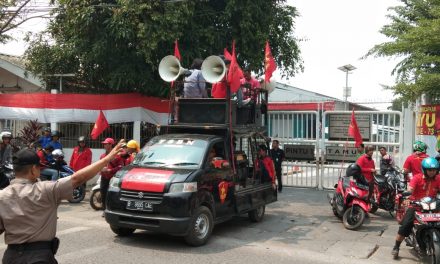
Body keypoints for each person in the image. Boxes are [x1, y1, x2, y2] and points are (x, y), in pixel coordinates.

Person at [0, 141, 124, 263]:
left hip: (11, 257)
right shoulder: (46, 190)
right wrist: (106, 159)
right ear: (33, 169)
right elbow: (78, 178)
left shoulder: (2, 196)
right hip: (38, 257)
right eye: (39, 168)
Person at [391, 157, 440, 259]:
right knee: (406, 225)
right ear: (424, 170)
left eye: (434, 170)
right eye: (430, 170)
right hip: (416, 205)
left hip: (433, 206)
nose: (432, 172)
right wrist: (408, 197)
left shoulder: (438, 178)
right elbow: (410, 189)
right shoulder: (417, 178)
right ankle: (396, 246)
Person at [99, 138, 125, 215]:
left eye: (106, 144)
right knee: (103, 193)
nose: (104, 145)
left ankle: (112, 210)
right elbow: (99, 165)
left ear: (111, 145)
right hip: (104, 177)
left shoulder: (117, 156)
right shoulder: (102, 156)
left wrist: (110, 170)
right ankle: (104, 209)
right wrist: (100, 169)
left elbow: (121, 167)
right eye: (104, 144)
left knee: (111, 194)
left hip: (112, 178)